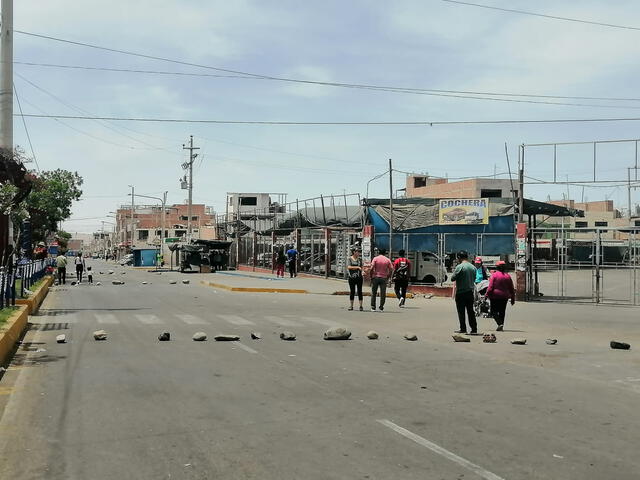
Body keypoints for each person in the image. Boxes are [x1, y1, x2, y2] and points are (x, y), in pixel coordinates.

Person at [451, 250, 478, 334]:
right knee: (471, 311)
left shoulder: (460, 267)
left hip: (461, 292)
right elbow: (474, 278)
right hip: (470, 292)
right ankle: (474, 329)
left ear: (459, 257)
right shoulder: (473, 267)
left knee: (461, 312)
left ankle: (463, 328)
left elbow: (453, 278)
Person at [485, 260, 515, 331]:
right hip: (504, 297)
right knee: (502, 311)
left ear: (497, 267)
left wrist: (486, 295)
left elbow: (490, 287)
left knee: (493, 311)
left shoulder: (494, 275)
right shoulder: (507, 276)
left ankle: (499, 323)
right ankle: (501, 325)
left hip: (495, 296)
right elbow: (511, 288)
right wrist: (513, 298)